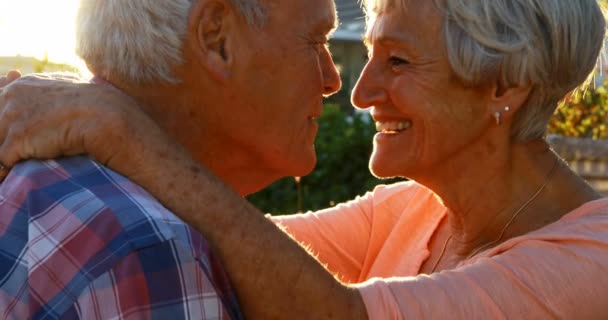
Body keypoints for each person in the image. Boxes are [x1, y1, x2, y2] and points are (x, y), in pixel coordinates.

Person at [1, 0, 608, 318]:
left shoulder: (593, 259)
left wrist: (122, 129)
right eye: (364, 55)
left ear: (503, 86)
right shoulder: (412, 211)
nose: (359, 91)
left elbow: (331, 318)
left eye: (397, 62)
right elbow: (224, 242)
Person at [0, 0, 341, 318]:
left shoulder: (41, 178)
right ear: (216, 39)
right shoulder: (152, 251)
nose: (333, 80)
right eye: (316, 40)